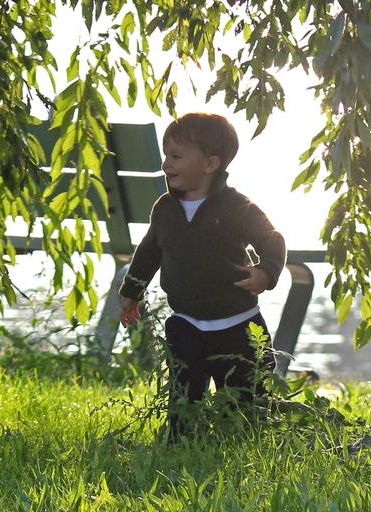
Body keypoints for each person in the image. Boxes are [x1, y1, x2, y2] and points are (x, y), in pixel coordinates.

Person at [118, 112, 287, 440]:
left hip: (238, 323)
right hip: (186, 322)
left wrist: (266, 272)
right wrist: (132, 291)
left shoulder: (237, 207)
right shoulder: (164, 209)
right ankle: (180, 442)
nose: (166, 164)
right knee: (184, 392)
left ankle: (241, 440)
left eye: (176, 156)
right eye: (166, 155)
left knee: (245, 397)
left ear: (211, 164)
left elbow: (271, 239)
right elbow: (150, 251)